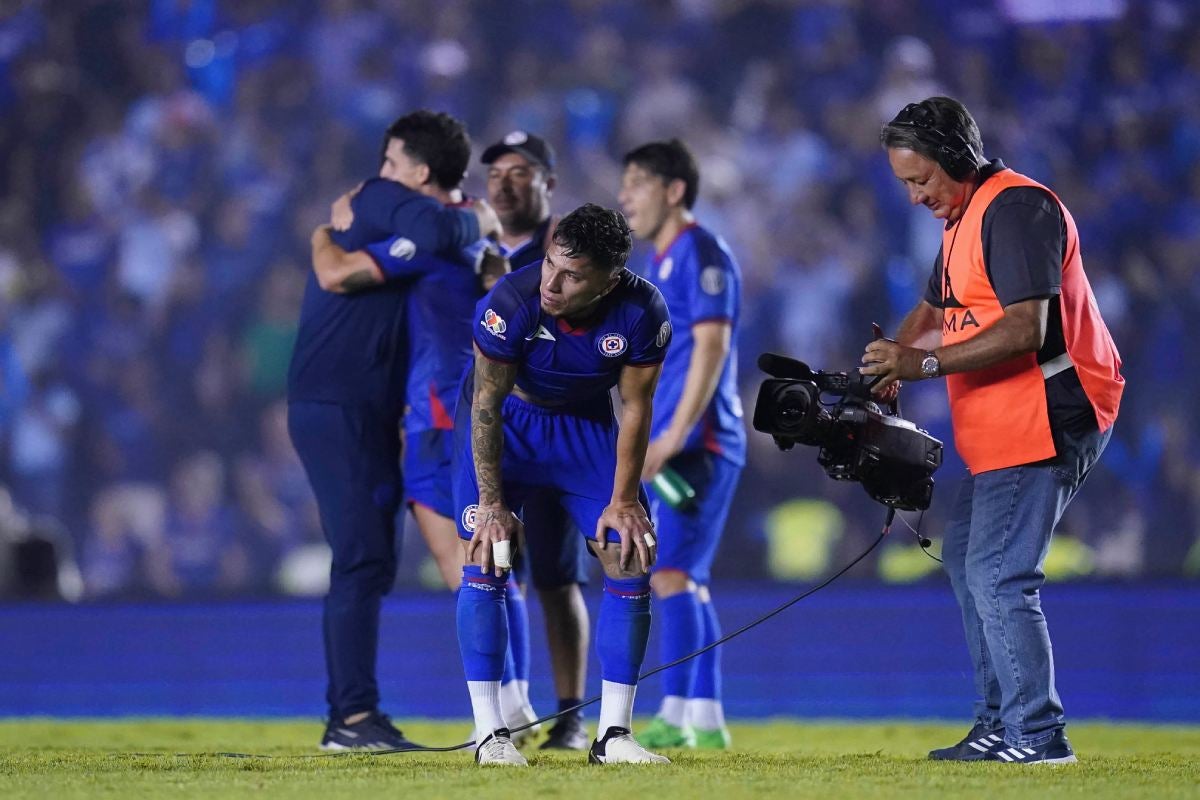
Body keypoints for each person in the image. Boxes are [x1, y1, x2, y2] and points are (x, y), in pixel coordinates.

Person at [863, 97, 1124, 765]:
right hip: (1004, 417)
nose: (915, 196)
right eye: (904, 184)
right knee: (965, 560)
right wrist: (892, 350)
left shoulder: (1016, 210)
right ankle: (997, 725)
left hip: (1048, 407)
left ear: (955, 159)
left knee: (1000, 574)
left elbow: (1025, 328)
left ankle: (1038, 735)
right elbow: (934, 303)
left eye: (920, 180)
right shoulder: (962, 219)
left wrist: (918, 363)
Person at [287, 109, 496, 751]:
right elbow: (434, 229)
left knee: (372, 560)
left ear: (421, 170)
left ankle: (356, 715)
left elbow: (422, 241)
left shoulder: (408, 227)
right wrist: (482, 219)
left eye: (389, 163)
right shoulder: (383, 200)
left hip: (370, 410)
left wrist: (325, 236)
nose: (375, 178)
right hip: (337, 404)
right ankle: (349, 719)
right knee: (360, 557)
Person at [455, 203, 672, 766]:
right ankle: (489, 735)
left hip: (584, 431)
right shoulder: (510, 301)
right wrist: (492, 502)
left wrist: (625, 502)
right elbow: (486, 404)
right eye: (552, 263)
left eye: (573, 275)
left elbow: (636, 409)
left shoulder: (643, 310)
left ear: (610, 280)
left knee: (629, 552)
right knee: (487, 553)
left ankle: (614, 736)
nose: (552, 282)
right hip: (512, 428)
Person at [618, 139, 744, 750]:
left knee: (669, 573)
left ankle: (675, 711)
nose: (625, 196)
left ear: (673, 190)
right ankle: (707, 716)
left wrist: (671, 433)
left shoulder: (701, 251)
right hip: (675, 444)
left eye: (637, 182)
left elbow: (713, 346)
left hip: (702, 444)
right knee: (686, 578)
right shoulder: (662, 263)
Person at [479, 130, 592, 751]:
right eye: (494, 171)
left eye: (519, 171)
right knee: (493, 567)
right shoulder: (471, 244)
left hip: (557, 428)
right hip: (496, 435)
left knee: (555, 576)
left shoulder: (570, 250)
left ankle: (572, 714)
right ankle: (506, 708)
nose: (503, 181)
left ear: (548, 181)